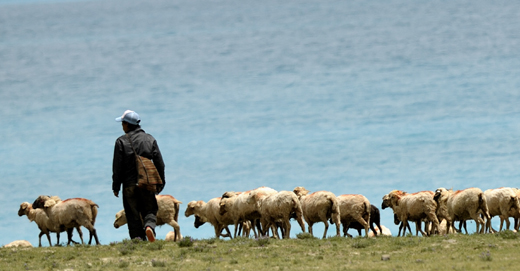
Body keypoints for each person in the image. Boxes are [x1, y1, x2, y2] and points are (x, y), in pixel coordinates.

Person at [112, 110, 165, 242]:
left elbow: (117, 166)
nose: (122, 126)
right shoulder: (150, 139)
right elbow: (160, 163)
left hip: (129, 184)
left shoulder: (121, 141)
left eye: (122, 123)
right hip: (147, 183)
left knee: (132, 214)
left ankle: (138, 240)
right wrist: (160, 182)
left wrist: (116, 186)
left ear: (127, 124)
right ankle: (149, 227)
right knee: (150, 209)